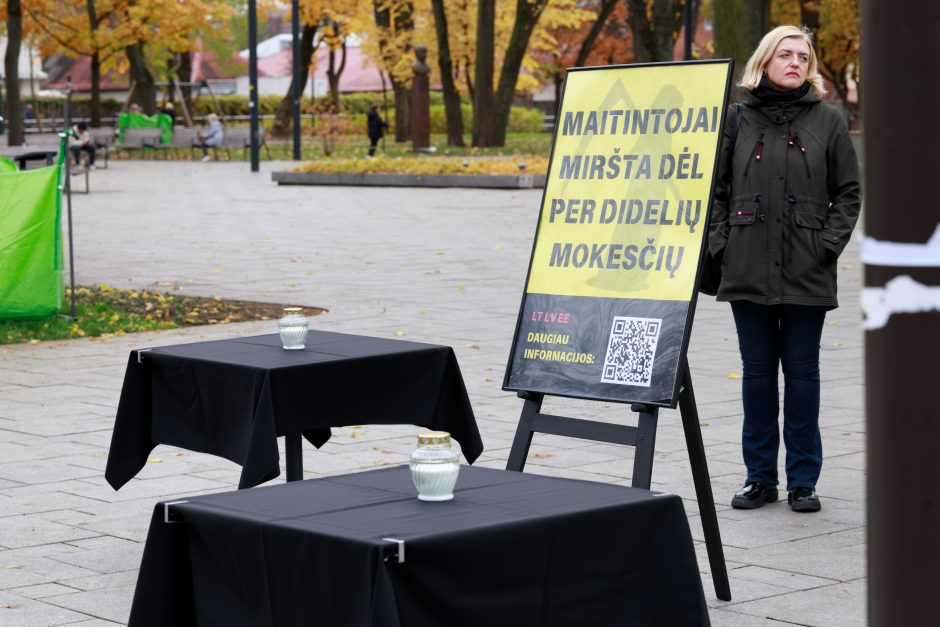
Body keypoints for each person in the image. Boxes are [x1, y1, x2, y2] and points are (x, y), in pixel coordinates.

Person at [708, 25, 860, 513]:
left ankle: (802, 481)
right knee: (756, 376)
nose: (795, 62)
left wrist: (828, 244)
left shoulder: (828, 120)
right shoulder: (736, 119)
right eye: (785, 54)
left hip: (806, 267)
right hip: (747, 264)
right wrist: (721, 245)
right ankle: (759, 478)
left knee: (801, 375)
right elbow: (715, 190)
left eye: (802, 55)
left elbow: (849, 192)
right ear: (765, 61)